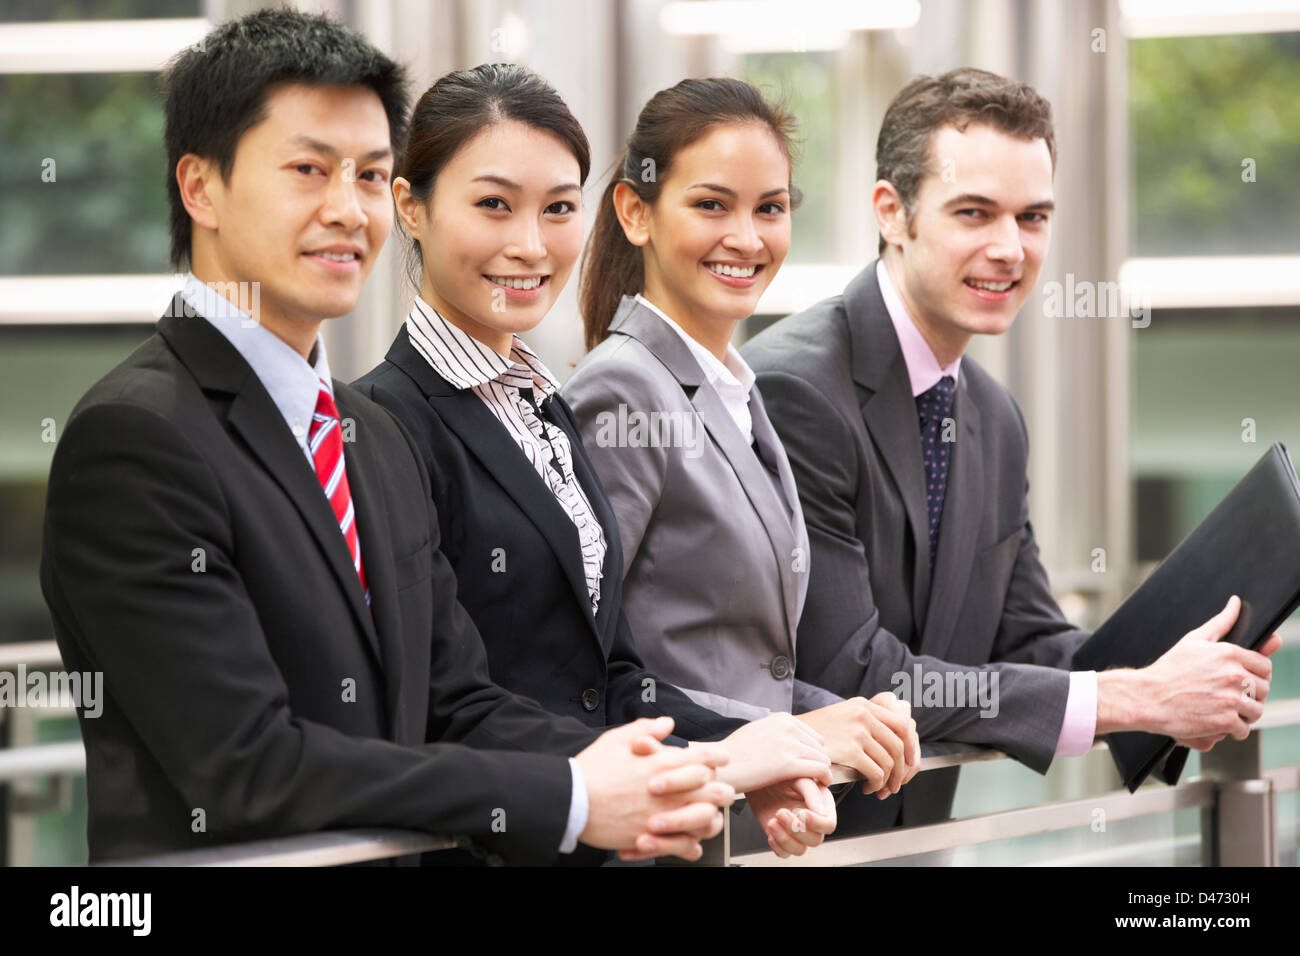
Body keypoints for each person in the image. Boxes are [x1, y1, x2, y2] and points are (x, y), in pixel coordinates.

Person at [38, 8, 734, 866]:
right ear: (200, 188)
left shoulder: (368, 433)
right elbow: (248, 766)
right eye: (307, 170)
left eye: (369, 175)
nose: (347, 209)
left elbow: (459, 702)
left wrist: (677, 775)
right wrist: (572, 796)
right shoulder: (136, 438)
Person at [741, 67, 1283, 834]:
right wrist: (1138, 699)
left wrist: (1185, 661)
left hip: (914, 845)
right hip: (782, 845)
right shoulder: (796, 390)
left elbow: (1029, 640)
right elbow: (856, 676)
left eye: (1032, 218)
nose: (1009, 248)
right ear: (891, 213)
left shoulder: (992, 417)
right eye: (975, 213)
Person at [353, 65, 835, 859]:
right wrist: (716, 761)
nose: (531, 245)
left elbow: (612, 673)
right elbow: (452, 701)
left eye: (558, 208)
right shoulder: (383, 423)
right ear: (411, 206)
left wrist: (757, 753)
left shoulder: (544, 410)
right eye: (493, 205)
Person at [562, 77, 922, 845]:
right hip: (663, 833)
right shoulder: (624, 390)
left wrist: (837, 716)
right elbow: (586, 670)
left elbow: (741, 662)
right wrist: (793, 738)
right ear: (636, 212)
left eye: (771, 208)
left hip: (738, 823)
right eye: (711, 205)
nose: (748, 238)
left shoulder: (735, 387)